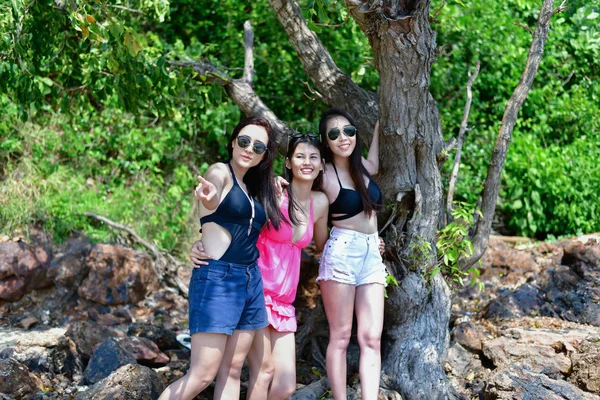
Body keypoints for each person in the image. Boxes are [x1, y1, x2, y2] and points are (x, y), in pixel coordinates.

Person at [190, 132, 330, 400]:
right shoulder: (273, 194)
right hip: (258, 291)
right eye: (300, 156)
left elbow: (325, 244)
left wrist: (370, 242)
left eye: (313, 157)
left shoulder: (320, 203)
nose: (307, 162)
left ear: (322, 164)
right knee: (261, 371)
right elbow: (239, 222)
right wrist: (202, 242)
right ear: (288, 163)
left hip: (284, 303)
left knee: (285, 384)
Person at [158, 116, 283, 400]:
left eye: (259, 146)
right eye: (244, 140)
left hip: (251, 281)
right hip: (218, 279)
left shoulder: (254, 189)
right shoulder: (220, 172)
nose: (249, 148)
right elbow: (212, 192)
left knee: (234, 368)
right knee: (203, 374)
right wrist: (209, 195)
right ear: (233, 141)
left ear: (265, 155)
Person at [317, 108, 386, 400]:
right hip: (342, 251)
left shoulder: (362, 168)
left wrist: (382, 124)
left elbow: (375, 162)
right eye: (334, 134)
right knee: (341, 336)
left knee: (371, 337)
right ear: (325, 141)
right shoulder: (323, 174)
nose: (343, 138)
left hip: (372, 253)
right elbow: (303, 198)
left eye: (348, 131)